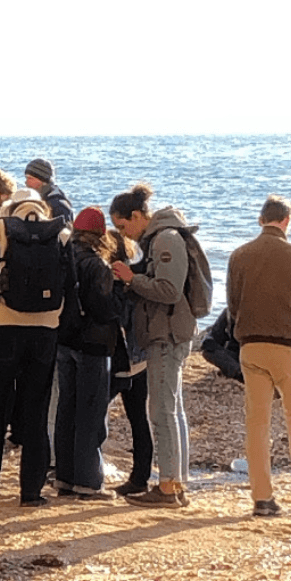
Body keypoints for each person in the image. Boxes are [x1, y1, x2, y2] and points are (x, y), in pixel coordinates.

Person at [0, 189, 75, 507]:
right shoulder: (61, 233)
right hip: (44, 329)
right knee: (36, 410)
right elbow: (70, 285)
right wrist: (62, 326)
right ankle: (30, 491)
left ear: (12, 207)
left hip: (4, 326)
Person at [226, 194, 291, 517]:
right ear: (286, 221)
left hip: (251, 344)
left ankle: (262, 498)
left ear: (261, 219)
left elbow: (232, 306)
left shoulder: (239, 256)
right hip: (287, 344)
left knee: (257, 423)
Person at [110, 184, 197, 508]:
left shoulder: (165, 239)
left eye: (123, 227)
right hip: (168, 331)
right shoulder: (164, 237)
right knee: (170, 409)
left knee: (162, 411)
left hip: (167, 333)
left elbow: (169, 289)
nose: (126, 235)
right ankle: (174, 483)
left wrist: (132, 279)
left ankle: (168, 487)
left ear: (136, 216)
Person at [54, 207, 121, 500]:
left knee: (66, 410)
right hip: (92, 344)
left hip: (64, 340)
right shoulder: (97, 266)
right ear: (100, 235)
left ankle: (64, 477)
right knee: (91, 413)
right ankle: (89, 481)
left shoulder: (61, 259)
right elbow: (105, 310)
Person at [106, 228, 155, 497]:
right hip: (140, 356)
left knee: (95, 413)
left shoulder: (117, 281)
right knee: (139, 417)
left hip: (120, 357)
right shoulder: (138, 277)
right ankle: (140, 476)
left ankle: (87, 470)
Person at [200, 308, 243, 382]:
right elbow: (216, 335)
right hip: (236, 355)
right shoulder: (228, 312)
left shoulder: (229, 311)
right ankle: (239, 372)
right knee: (209, 350)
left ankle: (239, 372)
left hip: (253, 354)